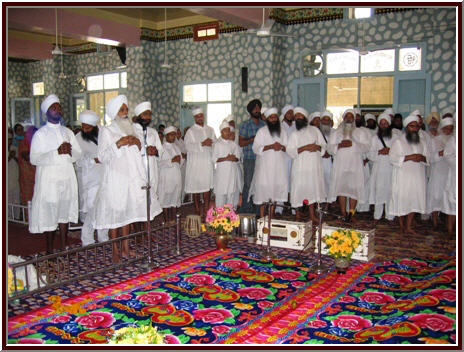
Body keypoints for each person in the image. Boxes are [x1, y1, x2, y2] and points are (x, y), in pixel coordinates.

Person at [93, 95, 154, 262]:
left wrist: (136, 142)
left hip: (130, 177)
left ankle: (126, 249)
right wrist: (118, 144)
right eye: (122, 110)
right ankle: (115, 250)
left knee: (127, 215)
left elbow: (140, 150)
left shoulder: (131, 128)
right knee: (115, 215)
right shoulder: (107, 131)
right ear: (114, 112)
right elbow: (102, 156)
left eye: (126, 109)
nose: (125, 113)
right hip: (114, 178)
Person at [29, 94, 82, 254]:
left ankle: (64, 246)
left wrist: (70, 151)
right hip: (49, 181)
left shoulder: (68, 132)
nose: (58, 110)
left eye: (59, 107)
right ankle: (50, 250)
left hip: (66, 178)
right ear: (47, 112)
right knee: (50, 215)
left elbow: (77, 154)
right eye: (54, 108)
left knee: (64, 214)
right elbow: (34, 158)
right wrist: (56, 152)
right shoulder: (40, 134)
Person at [389, 114, 429, 235]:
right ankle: (401, 225)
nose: (415, 128)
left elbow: (428, 158)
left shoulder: (422, 142)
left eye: (417, 126)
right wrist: (409, 157)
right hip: (403, 176)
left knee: (414, 201)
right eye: (412, 126)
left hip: (417, 176)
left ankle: (409, 225)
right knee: (402, 200)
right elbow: (392, 158)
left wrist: (422, 157)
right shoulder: (399, 142)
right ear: (407, 127)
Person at [327, 109, 370, 222]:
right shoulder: (336, 133)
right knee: (341, 189)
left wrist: (354, 143)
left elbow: (366, 147)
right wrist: (339, 145)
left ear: (354, 119)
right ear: (344, 118)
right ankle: (343, 213)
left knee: (354, 190)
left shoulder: (360, 132)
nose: (349, 118)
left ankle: (351, 213)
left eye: (351, 116)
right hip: (340, 165)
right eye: (347, 116)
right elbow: (330, 148)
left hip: (355, 165)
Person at [75, 110, 109, 247]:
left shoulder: (104, 133)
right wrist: (93, 160)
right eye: (83, 126)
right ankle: (87, 239)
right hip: (91, 178)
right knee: (92, 210)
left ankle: (103, 236)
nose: (85, 129)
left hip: (106, 176)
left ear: (95, 125)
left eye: (88, 127)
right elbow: (77, 160)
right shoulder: (78, 138)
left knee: (105, 208)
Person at [287, 107, 326, 222]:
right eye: (296, 116)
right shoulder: (294, 134)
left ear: (305, 117)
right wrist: (305, 148)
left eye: (300, 116)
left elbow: (324, 146)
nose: (298, 118)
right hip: (300, 166)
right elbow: (290, 151)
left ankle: (312, 215)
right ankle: (298, 214)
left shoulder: (315, 130)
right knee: (298, 189)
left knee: (312, 189)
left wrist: (317, 147)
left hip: (314, 166)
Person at [250, 108, 288, 218]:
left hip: (279, 167)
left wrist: (281, 146)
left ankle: (270, 216)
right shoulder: (261, 132)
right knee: (263, 191)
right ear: (267, 119)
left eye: (275, 117)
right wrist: (270, 146)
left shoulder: (283, 132)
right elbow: (255, 148)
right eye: (271, 117)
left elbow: (288, 148)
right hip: (264, 167)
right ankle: (262, 217)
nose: (274, 119)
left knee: (275, 191)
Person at [133, 101, 163, 222]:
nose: (148, 117)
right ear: (138, 116)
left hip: (152, 168)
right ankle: (138, 231)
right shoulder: (131, 131)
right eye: (145, 114)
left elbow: (161, 151)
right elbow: (129, 152)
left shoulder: (153, 132)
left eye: (149, 114)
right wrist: (144, 150)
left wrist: (155, 151)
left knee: (151, 198)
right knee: (138, 200)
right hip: (138, 170)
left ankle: (147, 229)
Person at [184, 107, 216, 219]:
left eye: (201, 115)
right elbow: (187, 146)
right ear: (194, 118)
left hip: (207, 163)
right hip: (196, 164)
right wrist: (202, 143)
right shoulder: (190, 131)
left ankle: (207, 209)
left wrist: (211, 144)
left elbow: (215, 144)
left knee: (207, 188)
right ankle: (197, 210)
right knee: (196, 188)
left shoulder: (210, 130)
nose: (200, 118)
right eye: (197, 116)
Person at [368, 113, 400, 222]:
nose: (383, 125)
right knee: (379, 191)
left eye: (385, 123)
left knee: (390, 191)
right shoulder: (374, 138)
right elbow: (369, 154)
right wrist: (379, 152)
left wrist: (390, 151)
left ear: (389, 124)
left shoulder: (396, 138)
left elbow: (400, 152)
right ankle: (377, 215)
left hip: (391, 169)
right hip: (379, 169)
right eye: (381, 124)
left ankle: (390, 216)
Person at [426, 118, 454, 229]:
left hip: (450, 172)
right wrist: (441, 154)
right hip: (438, 172)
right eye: (446, 128)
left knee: (448, 197)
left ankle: (448, 222)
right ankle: (434, 220)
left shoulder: (454, 140)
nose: (448, 130)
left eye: (450, 129)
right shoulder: (435, 140)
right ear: (441, 128)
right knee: (436, 195)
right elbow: (430, 158)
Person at [239, 99, 265, 213]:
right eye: (254, 108)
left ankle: (259, 210)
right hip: (250, 159)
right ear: (250, 111)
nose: (257, 110)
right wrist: (252, 139)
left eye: (258, 108)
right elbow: (241, 143)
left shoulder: (264, 125)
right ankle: (246, 209)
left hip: (263, 160)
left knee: (260, 185)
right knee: (248, 184)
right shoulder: (245, 124)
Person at [212, 122, 242, 208]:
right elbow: (214, 159)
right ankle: (219, 217)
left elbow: (237, 158)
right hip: (221, 174)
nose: (228, 133)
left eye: (229, 131)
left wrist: (233, 158)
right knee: (220, 195)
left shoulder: (233, 144)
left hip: (231, 174)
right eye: (225, 131)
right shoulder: (217, 144)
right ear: (221, 132)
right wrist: (226, 158)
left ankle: (229, 217)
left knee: (231, 195)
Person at [159, 126, 184, 223]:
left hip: (176, 176)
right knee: (166, 199)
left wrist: (178, 160)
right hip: (166, 177)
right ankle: (166, 221)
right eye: (171, 135)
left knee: (175, 199)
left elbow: (180, 162)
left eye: (174, 135)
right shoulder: (161, 148)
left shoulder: (176, 148)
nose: (173, 137)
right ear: (166, 136)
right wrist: (171, 160)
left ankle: (173, 221)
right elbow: (159, 163)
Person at [278, 105, 296, 215]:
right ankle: (279, 208)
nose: (290, 115)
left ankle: (294, 207)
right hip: (283, 158)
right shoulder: (279, 127)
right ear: (284, 115)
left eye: (291, 113)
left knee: (294, 182)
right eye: (288, 113)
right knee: (282, 181)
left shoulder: (296, 126)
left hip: (294, 158)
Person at [17, 126, 37, 209]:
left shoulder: (33, 143)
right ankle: (28, 221)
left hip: (36, 177)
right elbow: (27, 156)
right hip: (27, 179)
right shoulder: (23, 143)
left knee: (36, 202)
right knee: (28, 202)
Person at [318, 110, 335, 205]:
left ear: (330, 121)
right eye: (324, 119)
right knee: (319, 182)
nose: (325, 121)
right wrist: (323, 152)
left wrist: (330, 153)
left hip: (331, 161)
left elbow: (336, 145)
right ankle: (320, 203)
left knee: (330, 182)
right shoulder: (316, 132)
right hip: (319, 160)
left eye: (328, 120)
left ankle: (328, 204)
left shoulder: (335, 132)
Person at [442, 132, 456, 236]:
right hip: (456, 176)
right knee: (453, 207)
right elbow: (447, 155)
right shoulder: (454, 139)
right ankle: (450, 231)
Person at [8, 130, 20, 219]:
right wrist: (10, 156)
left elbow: (19, 161)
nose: (9, 141)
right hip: (6, 180)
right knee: (8, 202)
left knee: (16, 201)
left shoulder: (14, 148)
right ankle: (10, 219)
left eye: (10, 139)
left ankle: (16, 218)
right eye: (8, 139)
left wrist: (14, 156)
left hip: (15, 179)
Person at [175, 127, 187, 203]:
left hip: (184, 163)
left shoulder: (182, 141)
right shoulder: (174, 142)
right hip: (178, 165)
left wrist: (184, 154)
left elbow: (186, 151)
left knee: (183, 182)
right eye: (177, 133)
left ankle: (182, 198)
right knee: (178, 183)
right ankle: (177, 200)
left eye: (180, 133)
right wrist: (182, 154)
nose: (179, 134)